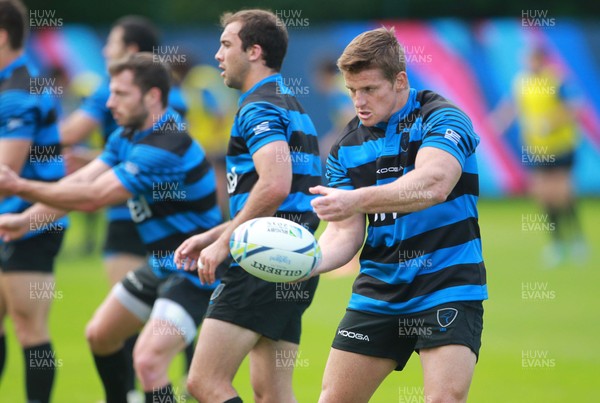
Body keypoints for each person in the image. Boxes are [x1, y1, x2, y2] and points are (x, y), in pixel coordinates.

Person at [0, 53, 222, 403]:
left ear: (151, 96)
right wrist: (24, 221)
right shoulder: (127, 135)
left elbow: (92, 198)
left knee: (148, 361)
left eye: (120, 94)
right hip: (162, 264)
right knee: (100, 335)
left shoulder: (165, 145)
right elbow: (79, 184)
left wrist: (19, 186)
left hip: (198, 272)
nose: (109, 102)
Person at [306, 27, 487, 403]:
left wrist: (356, 200)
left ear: (400, 79)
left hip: (447, 284)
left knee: (443, 400)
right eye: (352, 90)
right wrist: (302, 263)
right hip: (380, 290)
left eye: (370, 89)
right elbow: (344, 235)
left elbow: (433, 183)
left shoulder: (442, 117)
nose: (359, 100)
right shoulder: (346, 148)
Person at [173, 9, 321, 403]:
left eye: (226, 44)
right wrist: (212, 234)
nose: (218, 55)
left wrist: (224, 245)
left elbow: (274, 185)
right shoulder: (292, 105)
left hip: (260, 260)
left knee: (203, 382)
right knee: (272, 393)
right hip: (293, 260)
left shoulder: (258, 106)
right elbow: (279, 195)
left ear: (254, 51)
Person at [60, 16, 195, 400]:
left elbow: (75, 146)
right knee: (111, 329)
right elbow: (99, 173)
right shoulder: (139, 120)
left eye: (112, 44)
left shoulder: (155, 119)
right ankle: (157, 390)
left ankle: (152, 390)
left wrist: (21, 148)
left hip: (157, 229)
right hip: (145, 220)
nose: (104, 51)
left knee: (148, 336)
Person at [0, 1, 68, 402]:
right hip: (10, 219)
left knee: (30, 329)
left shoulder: (18, 92)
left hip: (31, 221)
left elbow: (5, 176)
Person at [491, 46, 586, 267]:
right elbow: (513, 106)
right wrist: (498, 122)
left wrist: (551, 123)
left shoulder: (556, 80)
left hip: (560, 145)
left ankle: (577, 239)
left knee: (562, 192)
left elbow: (573, 108)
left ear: (542, 60)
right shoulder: (521, 82)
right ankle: (557, 243)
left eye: (532, 60)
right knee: (543, 195)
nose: (528, 64)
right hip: (536, 149)